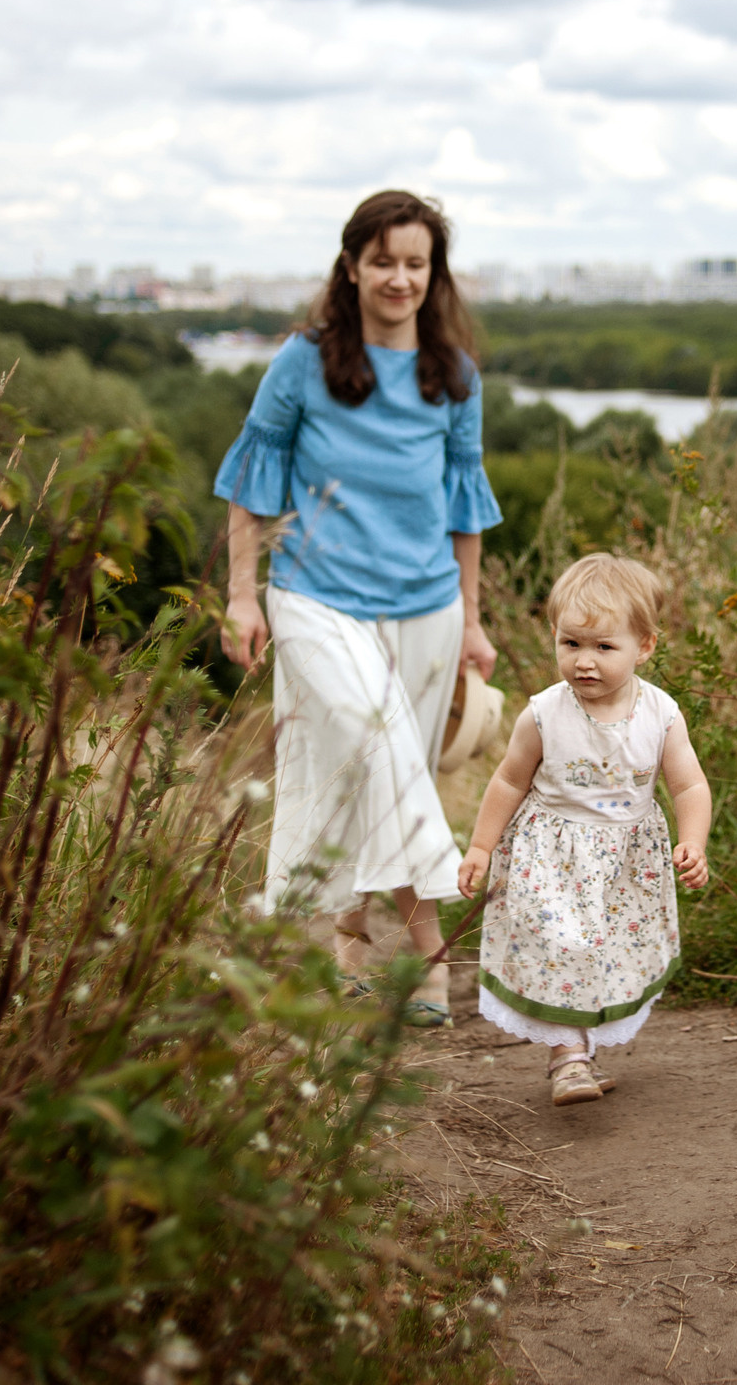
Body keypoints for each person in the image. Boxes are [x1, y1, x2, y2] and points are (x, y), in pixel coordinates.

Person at [213, 190, 501, 1028]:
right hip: (316, 598)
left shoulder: (454, 376)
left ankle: (347, 945)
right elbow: (251, 480)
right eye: (383, 262)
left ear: (434, 274)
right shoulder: (303, 362)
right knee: (379, 752)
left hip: (426, 608)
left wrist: (472, 619)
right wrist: (241, 596)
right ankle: (428, 953)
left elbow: (465, 508)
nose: (400, 279)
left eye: (416, 263)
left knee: (367, 773)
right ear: (351, 267)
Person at [458, 553, 713, 1105]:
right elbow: (509, 780)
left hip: (625, 864)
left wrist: (693, 841)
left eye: (603, 647)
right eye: (570, 643)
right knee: (562, 944)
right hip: (550, 856)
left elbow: (689, 785)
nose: (584, 662)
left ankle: (584, 1049)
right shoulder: (544, 714)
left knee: (604, 952)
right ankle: (568, 1057)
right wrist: (480, 847)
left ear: (644, 646)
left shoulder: (661, 714)